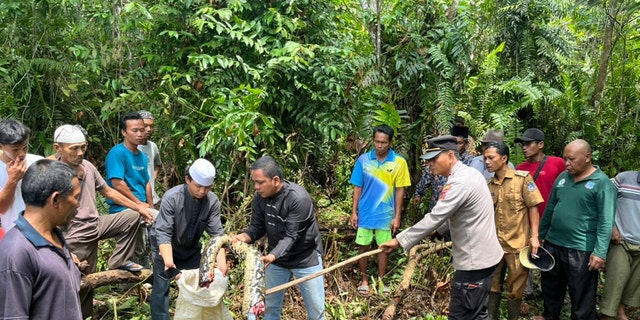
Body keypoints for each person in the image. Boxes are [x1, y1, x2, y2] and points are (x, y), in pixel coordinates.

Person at [379, 135, 503, 320]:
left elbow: (435, 217)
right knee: (476, 314)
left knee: (460, 315)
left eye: (434, 159)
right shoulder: (469, 174)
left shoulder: (459, 182)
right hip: (483, 258)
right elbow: (456, 213)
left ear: (451, 156)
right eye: (428, 160)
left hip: (475, 263)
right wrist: (438, 230)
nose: (430, 164)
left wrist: (399, 240)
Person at [52, 124, 154, 318]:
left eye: (83, 147)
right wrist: (61, 246)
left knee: (132, 217)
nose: (80, 152)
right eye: (74, 148)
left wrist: (139, 207)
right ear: (58, 148)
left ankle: (120, 260)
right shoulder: (54, 173)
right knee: (81, 282)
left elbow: (108, 191)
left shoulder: (88, 167)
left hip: (96, 224)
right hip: (74, 234)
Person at [534, 139, 616, 320]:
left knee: (581, 294)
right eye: (565, 159)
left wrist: (600, 252)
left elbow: (606, 220)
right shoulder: (563, 177)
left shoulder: (602, 183)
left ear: (587, 157)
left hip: (581, 249)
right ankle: (549, 316)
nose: (567, 164)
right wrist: (539, 236)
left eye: (571, 159)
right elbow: (550, 208)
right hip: (553, 244)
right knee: (551, 286)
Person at [235, 156, 325, 320]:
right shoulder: (260, 198)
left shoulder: (298, 198)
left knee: (316, 312)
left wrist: (271, 256)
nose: (256, 187)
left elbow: (291, 236)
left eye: (260, 182)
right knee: (270, 309)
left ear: (275, 180)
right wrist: (240, 239)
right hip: (277, 261)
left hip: (305, 258)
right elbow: (257, 228)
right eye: (255, 182)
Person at [0, 159, 82, 319]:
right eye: (76, 197)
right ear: (56, 199)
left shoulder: (55, 237)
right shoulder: (16, 252)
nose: (78, 205)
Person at [150, 158, 226, 320]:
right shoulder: (172, 197)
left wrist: (222, 265)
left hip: (191, 250)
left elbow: (217, 235)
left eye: (207, 187)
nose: (202, 191)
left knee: (200, 286)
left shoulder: (212, 201)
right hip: (164, 249)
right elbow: (163, 233)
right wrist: (169, 263)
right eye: (198, 186)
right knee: (161, 289)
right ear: (187, 180)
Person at [484, 141, 543, 320]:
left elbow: (533, 207)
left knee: (516, 287)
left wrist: (534, 236)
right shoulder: (489, 185)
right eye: (484, 158)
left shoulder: (522, 179)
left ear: (504, 158)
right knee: (493, 285)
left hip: (517, 244)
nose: (486, 161)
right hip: (494, 245)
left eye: (491, 158)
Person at [350, 124, 411, 295]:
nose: (380, 146)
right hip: (365, 213)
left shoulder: (399, 162)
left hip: (385, 214)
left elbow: (400, 190)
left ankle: (381, 281)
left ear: (390, 142)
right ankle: (364, 280)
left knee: (384, 248)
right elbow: (357, 187)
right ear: (373, 141)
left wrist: (397, 216)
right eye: (377, 142)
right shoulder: (363, 160)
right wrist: (354, 211)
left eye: (384, 142)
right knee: (363, 246)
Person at [514, 128, 565, 298]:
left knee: (551, 257)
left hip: (552, 222)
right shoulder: (520, 168)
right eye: (523, 144)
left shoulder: (557, 163)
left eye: (528, 143)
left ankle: (552, 295)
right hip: (528, 222)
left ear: (541, 144)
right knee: (528, 254)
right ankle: (526, 293)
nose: (524, 147)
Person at [106, 112, 154, 267]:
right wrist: (138, 205)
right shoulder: (117, 153)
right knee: (133, 248)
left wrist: (150, 206)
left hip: (142, 207)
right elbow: (117, 183)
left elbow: (146, 182)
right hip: (124, 209)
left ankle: (146, 281)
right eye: (135, 130)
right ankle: (126, 285)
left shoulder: (141, 155)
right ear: (124, 132)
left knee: (144, 245)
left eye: (142, 129)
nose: (140, 134)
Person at [599, 171, 640, 320]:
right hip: (621, 240)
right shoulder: (623, 179)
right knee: (616, 278)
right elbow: (603, 201)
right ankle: (606, 314)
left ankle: (620, 311)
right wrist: (610, 227)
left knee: (634, 282)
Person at [413, 126, 473, 210]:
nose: (456, 146)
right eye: (455, 143)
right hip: (437, 205)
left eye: (460, 143)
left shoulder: (471, 161)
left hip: (456, 208)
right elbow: (427, 176)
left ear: (466, 144)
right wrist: (418, 193)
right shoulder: (439, 158)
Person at [0, 119, 43, 231]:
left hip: (42, 230)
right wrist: (13, 180)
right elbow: (1, 208)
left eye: (25, 147)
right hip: (13, 232)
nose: (22, 154)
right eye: (15, 150)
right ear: (1, 147)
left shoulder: (38, 162)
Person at [137, 110, 162, 207]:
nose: (149, 129)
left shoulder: (153, 146)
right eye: (145, 125)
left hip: (154, 199)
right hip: (139, 201)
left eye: (151, 126)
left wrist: (153, 177)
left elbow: (158, 164)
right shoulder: (132, 148)